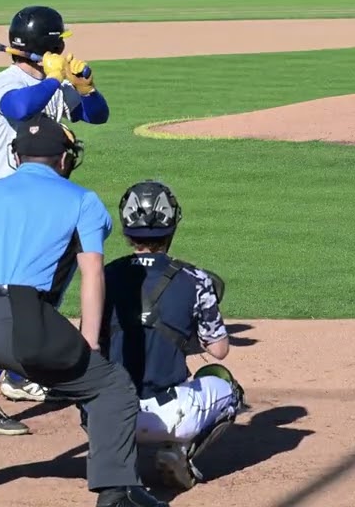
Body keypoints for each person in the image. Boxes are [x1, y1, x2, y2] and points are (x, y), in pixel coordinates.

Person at [0, 115, 169, 507]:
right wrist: (89, 340)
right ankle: (116, 492)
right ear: (63, 159)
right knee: (111, 388)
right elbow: (92, 271)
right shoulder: (82, 200)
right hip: (26, 318)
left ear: (16, 156)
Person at [0, 5, 112, 437]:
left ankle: (17, 376)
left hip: (43, 207)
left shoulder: (53, 84)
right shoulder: (6, 82)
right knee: (11, 306)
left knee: (42, 297)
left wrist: (86, 86)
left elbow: (96, 115)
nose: (66, 46)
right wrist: (52, 79)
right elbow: (21, 108)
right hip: (4, 209)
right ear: (50, 46)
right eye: (60, 41)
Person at [96, 180, 246, 490]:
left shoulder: (104, 277)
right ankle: (179, 452)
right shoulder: (196, 279)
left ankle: (115, 455)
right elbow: (218, 350)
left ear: (125, 229)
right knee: (229, 388)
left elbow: (91, 343)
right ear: (172, 224)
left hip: (109, 416)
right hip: (171, 413)